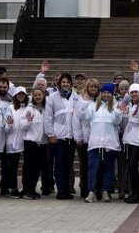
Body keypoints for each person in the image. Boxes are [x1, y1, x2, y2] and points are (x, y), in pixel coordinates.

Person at [79, 82, 122, 201]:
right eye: (104, 92)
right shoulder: (93, 106)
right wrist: (83, 102)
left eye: (108, 93)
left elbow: (117, 121)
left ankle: (105, 191)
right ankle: (92, 191)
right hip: (95, 143)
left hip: (110, 143)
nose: (106, 95)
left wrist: (118, 111)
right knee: (93, 168)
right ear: (101, 93)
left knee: (108, 169)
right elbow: (84, 116)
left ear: (112, 94)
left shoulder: (115, 106)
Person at [44, 72, 78, 200]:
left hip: (71, 137)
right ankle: (61, 191)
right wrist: (50, 134)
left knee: (68, 165)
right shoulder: (52, 97)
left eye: (68, 82)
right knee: (59, 165)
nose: (65, 84)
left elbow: (78, 117)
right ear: (59, 83)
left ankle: (67, 189)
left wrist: (77, 135)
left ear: (71, 84)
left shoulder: (76, 97)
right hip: (58, 137)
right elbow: (48, 117)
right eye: (63, 82)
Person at [17, 85, 48, 199]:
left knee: (37, 168)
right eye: (35, 95)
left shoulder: (46, 109)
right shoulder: (29, 109)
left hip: (42, 143)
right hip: (31, 142)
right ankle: (26, 190)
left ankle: (32, 189)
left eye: (39, 95)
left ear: (43, 95)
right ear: (32, 96)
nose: (37, 97)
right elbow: (22, 126)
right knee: (29, 167)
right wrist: (29, 122)